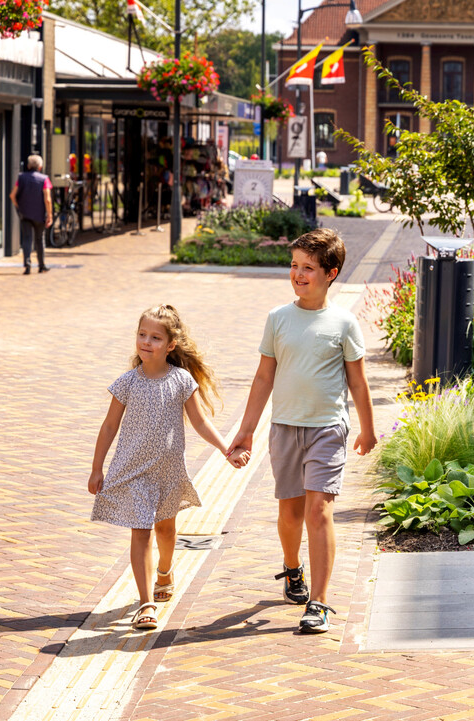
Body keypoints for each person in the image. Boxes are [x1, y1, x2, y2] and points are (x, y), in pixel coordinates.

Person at [227, 228, 376, 634]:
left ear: (331, 273)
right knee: (290, 514)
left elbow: (358, 382)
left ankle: (320, 602)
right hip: (285, 429)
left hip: (328, 429)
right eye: (294, 265)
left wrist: (367, 429)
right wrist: (246, 430)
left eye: (308, 267)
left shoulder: (344, 323)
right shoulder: (278, 318)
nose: (298, 274)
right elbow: (263, 378)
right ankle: (293, 568)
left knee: (318, 511)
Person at [88, 304, 249, 631]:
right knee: (141, 531)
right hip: (133, 472)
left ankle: (164, 570)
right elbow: (109, 427)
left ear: (171, 345)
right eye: (142, 334)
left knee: (165, 529)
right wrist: (96, 468)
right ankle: (146, 603)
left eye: (155, 338)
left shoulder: (181, 380)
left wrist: (226, 450)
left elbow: (200, 422)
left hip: (168, 472)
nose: (146, 342)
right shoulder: (126, 383)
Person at [9, 154, 53, 275]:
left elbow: (12, 195)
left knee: (27, 239)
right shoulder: (44, 179)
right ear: (40, 167)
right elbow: (47, 199)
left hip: (25, 214)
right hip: (39, 215)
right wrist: (49, 215)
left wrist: (18, 207)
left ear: (28, 166)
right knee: (39, 239)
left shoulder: (21, 177)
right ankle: (41, 265)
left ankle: (27, 265)